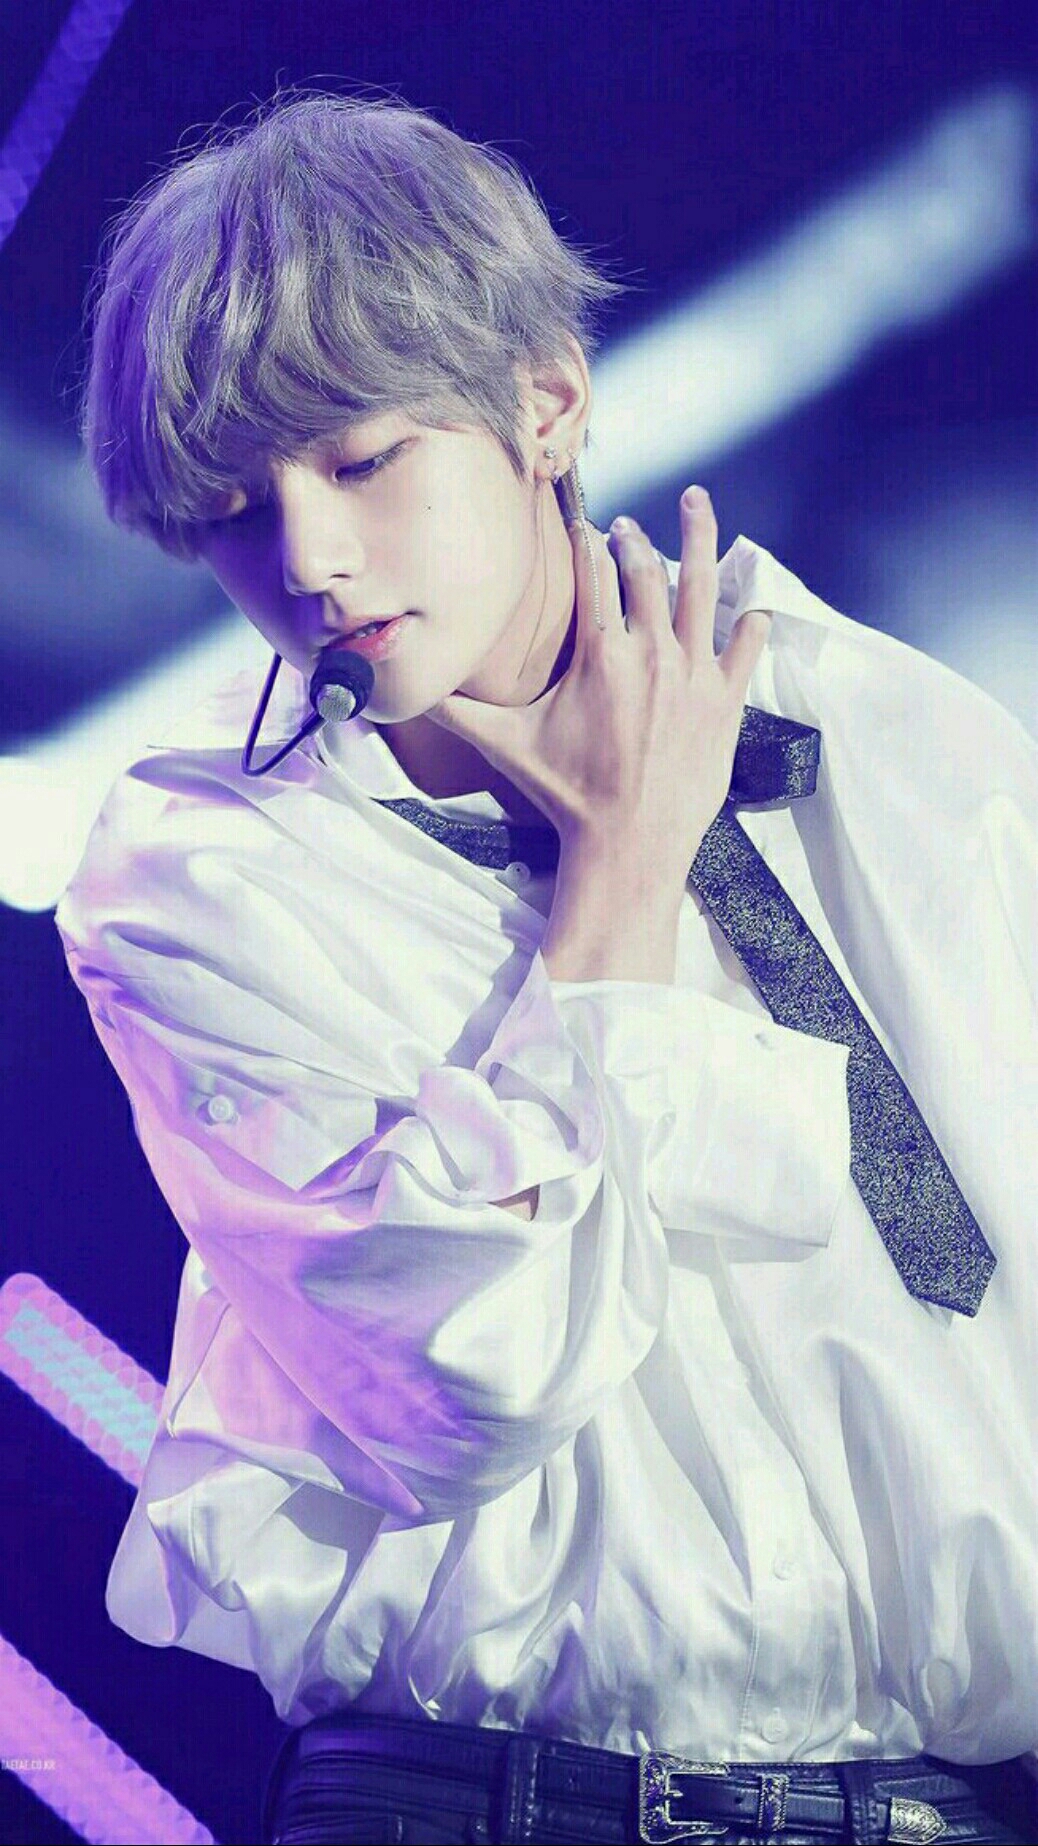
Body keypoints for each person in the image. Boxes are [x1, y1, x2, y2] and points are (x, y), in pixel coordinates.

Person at [56, 89, 1036, 1846]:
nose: (306, 559)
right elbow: (462, 1379)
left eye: (361, 459)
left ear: (546, 403)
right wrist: (622, 877)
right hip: (480, 1798)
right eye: (232, 508)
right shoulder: (205, 876)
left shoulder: (891, 737)